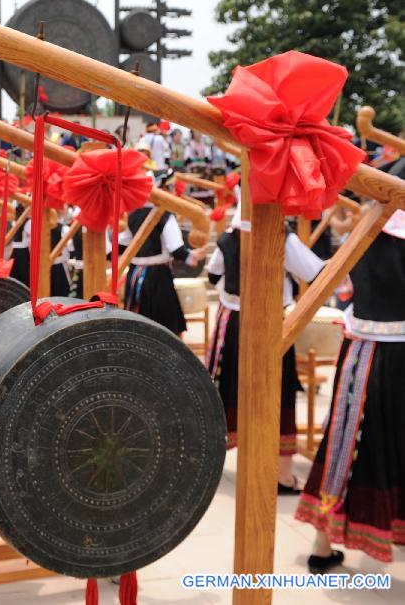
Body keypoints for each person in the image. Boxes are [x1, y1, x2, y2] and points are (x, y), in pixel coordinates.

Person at [293, 160, 405, 572]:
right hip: (398, 354)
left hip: (360, 353)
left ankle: (322, 546)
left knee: (345, 446)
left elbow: (338, 285)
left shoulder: (365, 232)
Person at [205, 204, 324, 493]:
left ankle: (211, 463)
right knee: (276, 389)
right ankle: (283, 475)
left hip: (231, 321)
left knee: (226, 387)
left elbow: (212, 275)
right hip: (269, 322)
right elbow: (315, 273)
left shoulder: (228, 238)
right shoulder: (282, 237)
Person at [114, 170, 206, 335]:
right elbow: (177, 249)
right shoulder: (164, 215)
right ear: (161, 190)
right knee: (166, 328)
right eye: (169, 188)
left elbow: (121, 246)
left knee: (139, 325)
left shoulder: (133, 214)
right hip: (158, 278)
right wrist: (193, 257)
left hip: (135, 275)